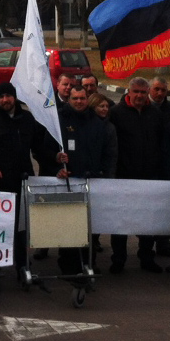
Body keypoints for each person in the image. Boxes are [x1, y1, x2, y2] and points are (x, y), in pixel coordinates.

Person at [0, 82, 61, 280]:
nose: (5, 100)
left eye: (8, 96)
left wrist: (55, 158)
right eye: (1, 97)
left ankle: (22, 265)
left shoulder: (27, 119)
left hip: (23, 180)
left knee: (22, 227)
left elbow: (38, 147)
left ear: (15, 97)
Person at [54, 84, 117, 278]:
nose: (79, 102)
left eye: (82, 98)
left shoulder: (96, 122)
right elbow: (46, 148)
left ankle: (89, 262)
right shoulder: (59, 120)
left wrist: (106, 176)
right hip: (68, 182)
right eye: (75, 98)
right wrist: (56, 162)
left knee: (88, 226)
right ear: (69, 99)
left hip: (92, 181)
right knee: (69, 226)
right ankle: (68, 265)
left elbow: (108, 153)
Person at [108, 77, 167, 273]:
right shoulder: (116, 113)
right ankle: (118, 259)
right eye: (136, 92)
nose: (140, 96)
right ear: (129, 92)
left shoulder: (155, 114)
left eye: (143, 92)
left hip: (149, 177)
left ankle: (147, 258)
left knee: (147, 221)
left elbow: (162, 142)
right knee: (121, 221)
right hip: (123, 177)